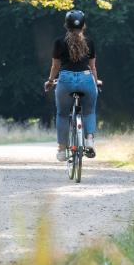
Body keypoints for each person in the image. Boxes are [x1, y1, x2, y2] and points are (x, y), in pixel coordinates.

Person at [43, 10, 101, 161]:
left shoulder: (59, 42)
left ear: (66, 25)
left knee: (62, 114)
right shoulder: (89, 42)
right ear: (83, 26)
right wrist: (96, 81)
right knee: (89, 112)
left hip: (66, 80)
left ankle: (62, 150)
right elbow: (93, 67)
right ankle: (89, 140)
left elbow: (55, 67)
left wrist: (50, 81)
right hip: (86, 79)